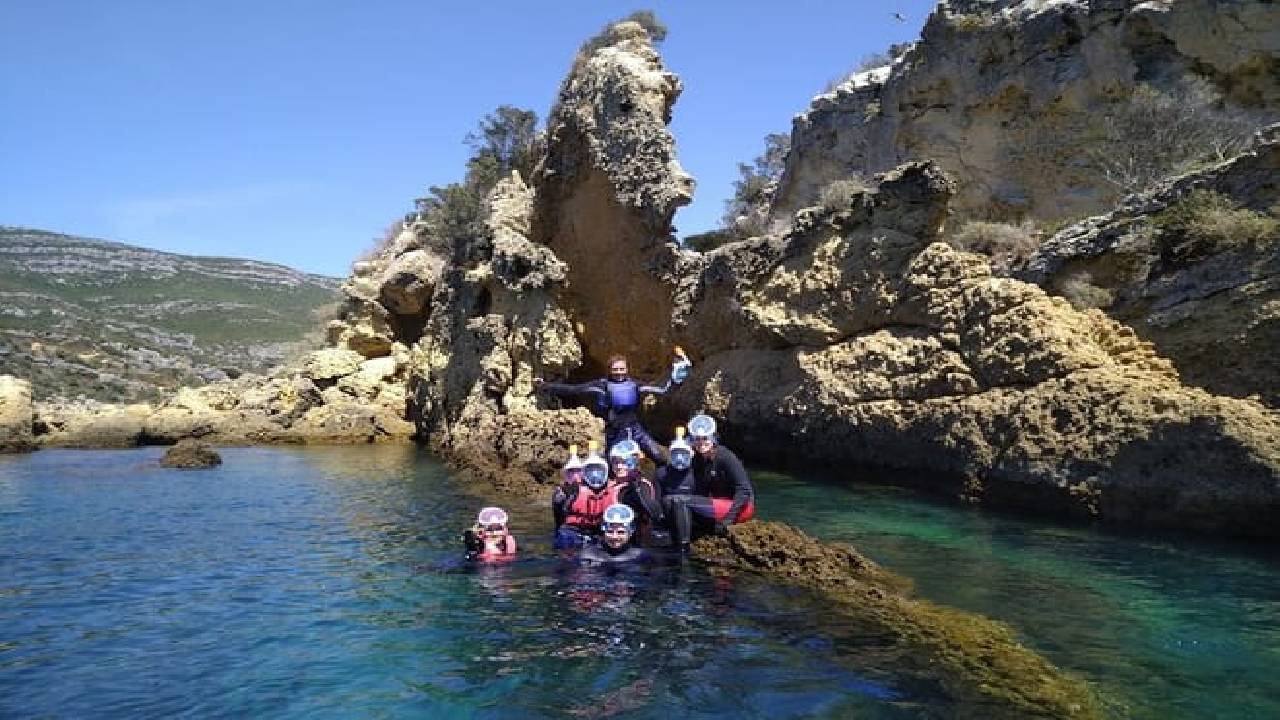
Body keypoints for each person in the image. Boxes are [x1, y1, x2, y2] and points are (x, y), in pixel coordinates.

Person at [534, 348, 692, 462]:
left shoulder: (635, 385)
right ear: (609, 370)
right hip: (615, 432)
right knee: (613, 461)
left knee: (658, 456)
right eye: (615, 369)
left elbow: (663, 389)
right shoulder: (601, 385)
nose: (619, 372)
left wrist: (679, 373)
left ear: (627, 369)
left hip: (636, 429)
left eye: (622, 369)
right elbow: (574, 389)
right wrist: (546, 386)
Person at [665, 414, 756, 554]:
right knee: (669, 500)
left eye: (705, 438)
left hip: (740, 507)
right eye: (697, 439)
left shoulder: (725, 456)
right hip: (718, 504)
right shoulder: (699, 460)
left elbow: (744, 490)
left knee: (680, 501)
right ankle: (675, 536)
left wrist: (728, 520)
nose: (701, 442)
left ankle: (683, 549)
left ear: (713, 439)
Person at [552, 443, 620, 549]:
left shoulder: (615, 491)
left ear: (606, 471)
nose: (595, 475)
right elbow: (559, 519)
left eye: (599, 471)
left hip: (599, 535)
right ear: (584, 473)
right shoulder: (570, 491)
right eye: (590, 471)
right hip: (572, 534)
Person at [607, 438, 667, 546]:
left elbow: (654, 512)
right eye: (616, 462)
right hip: (613, 536)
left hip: (639, 537)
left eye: (625, 462)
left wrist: (637, 486)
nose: (619, 466)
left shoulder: (643, 483)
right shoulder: (610, 485)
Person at [579, 503, 652, 565]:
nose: (614, 537)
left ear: (630, 532)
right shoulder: (589, 555)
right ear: (603, 532)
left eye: (621, 532)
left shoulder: (640, 556)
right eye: (610, 532)